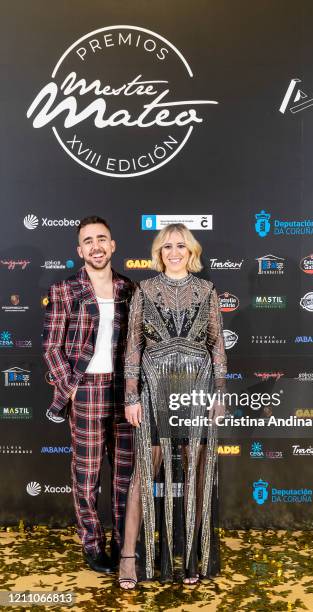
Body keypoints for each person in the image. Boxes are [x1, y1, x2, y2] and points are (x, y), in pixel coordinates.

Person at [119, 223, 227, 589]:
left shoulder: (208, 291)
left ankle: (193, 555)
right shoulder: (144, 291)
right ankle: (130, 557)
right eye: (167, 247)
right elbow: (133, 346)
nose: (174, 252)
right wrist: (131, 396)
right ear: (159, 252)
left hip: (196, 393)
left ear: (191, 251)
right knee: (143, 475)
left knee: (196, 475)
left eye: (181, 245)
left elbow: (217, 347)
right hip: (154, 394)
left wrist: (220, 393)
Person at [42, 216, 134, 573]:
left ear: (112, 246)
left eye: (102, 239)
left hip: (125, 392)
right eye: (88, 241)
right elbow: (52, 348)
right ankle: (93, 545)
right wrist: (73, 385)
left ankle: (124, 544)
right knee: (87, 475)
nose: (96, 246)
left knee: (125, 475)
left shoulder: (130, 289)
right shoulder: (64, 290)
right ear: (80, 250)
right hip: (86, 391)